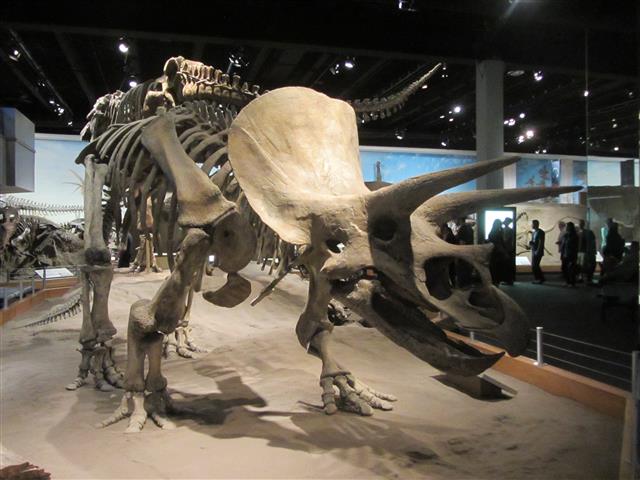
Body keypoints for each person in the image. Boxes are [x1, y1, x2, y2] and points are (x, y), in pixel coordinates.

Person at [454, 217, 474, 288]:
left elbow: (462, 244)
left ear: (459, 219)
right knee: (467, 275)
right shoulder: (469, 228)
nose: (454, 221)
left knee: (463, 275)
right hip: (468, 254)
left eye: (455, 219)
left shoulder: (463, 229)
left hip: (463, 256)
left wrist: (458, 256)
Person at [488, 219, 507, 285]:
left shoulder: (492, 232)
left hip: (493, 251)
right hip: (498, 251)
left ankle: (494, 281)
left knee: (494, 267)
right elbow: (501, 242)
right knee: (498, 267)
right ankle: (497, 281)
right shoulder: (499, 232)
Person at [577, 219, 596, 284]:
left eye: (581, 223)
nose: (580, 225)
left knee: (583, 265)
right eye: (580, 223)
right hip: (580, 251)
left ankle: (583, 277)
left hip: (583, 251)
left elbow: (591, 242)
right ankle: (581, 277)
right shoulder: (580, 232)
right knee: (580, 265)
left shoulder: (586, 232)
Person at [560, 222, 578, 286]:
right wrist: (562, 252)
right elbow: (563, 244)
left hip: (571, 254)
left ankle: (572, 282)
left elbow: (575, 246)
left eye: (568, 226)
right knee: (564, 268)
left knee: (571, 269)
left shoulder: (574, 235)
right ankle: (567, 281)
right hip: (565, 254)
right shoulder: (566, 235)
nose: (566, 227)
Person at [529, 219, 545, 284]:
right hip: (534, 251)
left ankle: (539, 278)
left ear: (536, 224)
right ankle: (540, 278)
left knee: (535, 265)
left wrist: (538, 250)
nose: (531, 225)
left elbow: (541, 242)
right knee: (534, 265)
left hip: (538, 251)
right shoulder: (533, 232)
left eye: (532, 224)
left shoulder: (541, 232)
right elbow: (534, 241)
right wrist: (531, 244)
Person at [502, 217, 516, 285]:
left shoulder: (508, 230)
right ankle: (508, 280)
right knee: (507, 265)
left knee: (507, 265)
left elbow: (506, 240)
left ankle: (509, 280)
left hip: (507, 249)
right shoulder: (509, 230)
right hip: (508, 249)